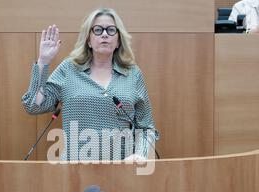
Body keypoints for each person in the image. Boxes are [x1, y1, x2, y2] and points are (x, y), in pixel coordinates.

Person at [21, 8, 159, 162]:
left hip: (122, 169)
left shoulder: (132, 73)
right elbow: (34, 105)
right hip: (73, 170)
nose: (105, 34)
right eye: (98, 30)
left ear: (119, 40)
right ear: (88, 40)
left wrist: (140, 155)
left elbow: (146, 128)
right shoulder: (69, 69)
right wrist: (43, 62)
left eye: (111, 30)